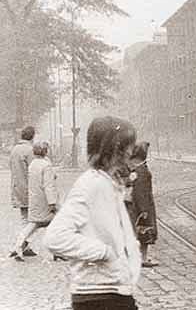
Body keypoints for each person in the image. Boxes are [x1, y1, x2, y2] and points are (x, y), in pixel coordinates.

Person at [44, 116, 141, 310]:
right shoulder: (92, 184)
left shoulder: (107, 183)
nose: (132, 151)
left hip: (112, 291)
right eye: (129, 146)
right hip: (99, 295)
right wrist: (104, 253)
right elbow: (54, 238)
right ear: (115, 149)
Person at [13, 142, 58, 261]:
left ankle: (18, 246)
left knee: (33, 224)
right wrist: (52, 203)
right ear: (45, 151)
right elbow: (49, 186)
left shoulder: (33, 164)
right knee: (56, 223)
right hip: (45, 200)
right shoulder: (46, 166)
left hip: (34, 199)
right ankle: (57, 251)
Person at [125, 141, 158, 268]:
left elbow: (138, 191)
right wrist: (144, 209)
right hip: (142, 205)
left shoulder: (136, 169)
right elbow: (141, 192)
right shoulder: (141, 170)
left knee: (138, 231)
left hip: (135, 205)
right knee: (144, 231)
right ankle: (142, 258)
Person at [9, 125, 37, 257]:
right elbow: (33, 170)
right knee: (34, 219)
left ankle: (25, 245)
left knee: (24, 218)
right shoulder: (30, 150)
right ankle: (22, 243)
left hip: (17, 187)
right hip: (29, 188)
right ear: (32, 136)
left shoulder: (14, 150)